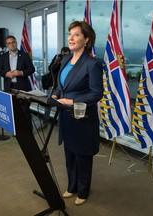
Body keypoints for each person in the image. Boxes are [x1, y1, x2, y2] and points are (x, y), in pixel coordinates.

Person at [52, 21, 103, 205]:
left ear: (86, 39)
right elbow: (61, 84)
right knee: (70, 155)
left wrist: (72, 100)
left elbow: (97, 93)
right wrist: (57, 93)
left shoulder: (93, 64)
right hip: (66, 117)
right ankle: (71, 186)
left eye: (76, 34)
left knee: (82, 157)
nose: (71, 38)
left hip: (82, 118)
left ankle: (83, 191)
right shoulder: (65, 60)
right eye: (70, 34)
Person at [0, 35, 35, 130]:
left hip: (22, 86)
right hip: (9, 87)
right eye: (9, 43)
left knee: (25, 110)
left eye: (13, 42)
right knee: (13, 110)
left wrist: (20, 72)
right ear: (7, 45)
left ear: (16, 43)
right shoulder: (3, 56)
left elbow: (31, 69)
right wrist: (6, 74)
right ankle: (17, 131)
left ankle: (28, 130)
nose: (12, 44)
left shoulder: (24, 55)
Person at [39, 46, 70, 130]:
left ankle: (61, 124)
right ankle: (45, 122)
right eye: (63, 54)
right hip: (53, 85)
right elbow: (50, 69)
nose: (64, 57)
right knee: (48, 104)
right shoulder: (57, 58)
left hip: (63, 87)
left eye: (66, 55)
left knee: (61, 106)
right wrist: (57, 62)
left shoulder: (71, 60)